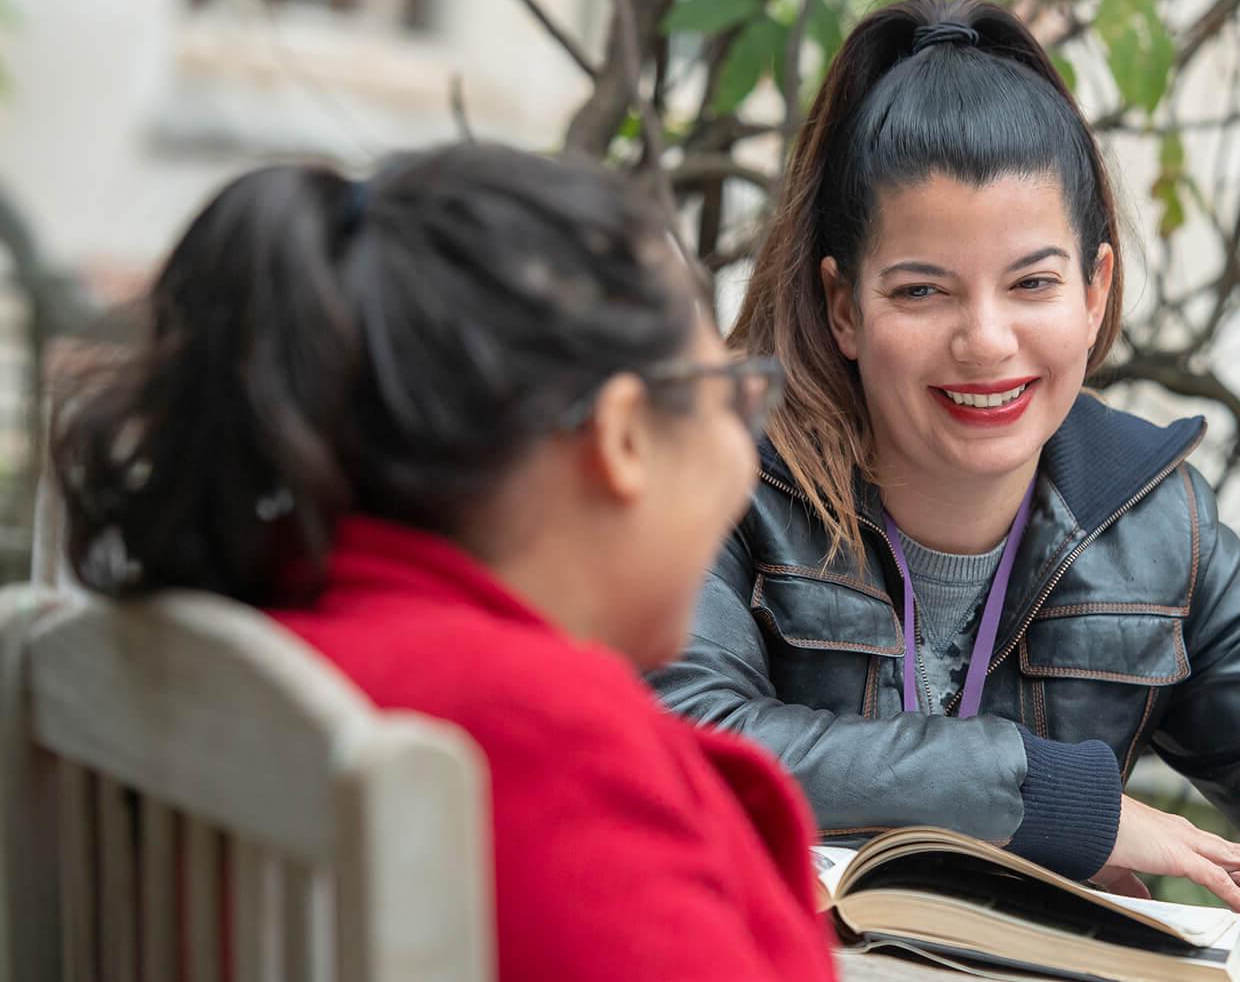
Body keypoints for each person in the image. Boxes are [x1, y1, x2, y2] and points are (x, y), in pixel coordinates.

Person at [651, 0, 1240, 914]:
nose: (985, 340)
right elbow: (687, 742)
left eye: (1033, 283)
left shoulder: (1156, 522)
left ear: (1095, 289)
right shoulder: (727, 474)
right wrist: (1053, 798)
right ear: (845, 309)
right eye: (923, 291)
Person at [52, 143, 836, 982]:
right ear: (625, 437)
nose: (746, 445)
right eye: (731, 393)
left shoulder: (218, 632)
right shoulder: (540, 739)